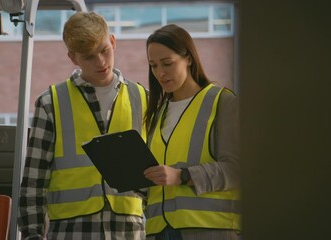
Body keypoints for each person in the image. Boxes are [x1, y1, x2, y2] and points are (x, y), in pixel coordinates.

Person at [17, 12, 148, 240]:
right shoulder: (51, 103)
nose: (101, 62)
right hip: (72, 232)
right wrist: (32, 234)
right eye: (88, 57)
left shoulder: (143, 98)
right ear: (73, 58)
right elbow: (34, 180)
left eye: (104, 50)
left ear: (113, 42)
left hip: (129, 231)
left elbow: (157, 175)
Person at [142, 24, 241, 240]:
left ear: (188, 58)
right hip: (159, 231)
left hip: (210, 230)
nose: (160, 73)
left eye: (167, 63)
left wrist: (182, 176)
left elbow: (238, 168)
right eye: (153, 65)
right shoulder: (157, 113)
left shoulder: (222, 102)